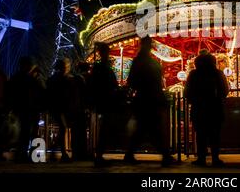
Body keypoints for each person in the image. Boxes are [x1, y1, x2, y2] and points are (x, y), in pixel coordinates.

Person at [123, 36, 175, 167]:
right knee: (153, 129)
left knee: (144, 129)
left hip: (144, 99)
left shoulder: (139, 62)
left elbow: (132, 82)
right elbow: (157, 83)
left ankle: (130, 154)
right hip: (152, 99)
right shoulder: (152, 63)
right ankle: (165, 156)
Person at [185, 50, 229, 167]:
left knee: (201, 134)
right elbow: (225, 90)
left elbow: (187, 91)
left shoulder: (194, 74)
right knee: (215, 134)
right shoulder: (218, 73)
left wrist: (193, 100)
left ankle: (201, 158)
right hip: (215, 107)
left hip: (199, 108)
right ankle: (215, 158)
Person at [89, 43, 122, 166]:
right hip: (106, 100)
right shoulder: (104, 68)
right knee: (105, 128)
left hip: (103, 100)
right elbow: (111, 84)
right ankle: (99, 155)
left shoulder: (99, 67)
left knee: (105, 127)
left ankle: (99, 154)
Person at [7, 57, 46, 162]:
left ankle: (23, 154)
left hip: (24, 108)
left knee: (25, 132)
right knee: (30, 132)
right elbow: (42, 91)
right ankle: (31, 155)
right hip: (31, 108)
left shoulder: (17, 77)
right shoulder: (33, 78)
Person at [47, 58, 78, 162]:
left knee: (63, 128)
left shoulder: (54, 79)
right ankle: (61, 152)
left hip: (59, 106)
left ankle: (56, 149)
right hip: (61, 107)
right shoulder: (66, 79)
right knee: (63, 128)